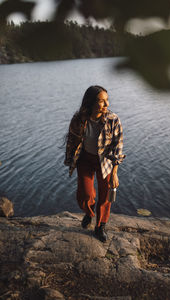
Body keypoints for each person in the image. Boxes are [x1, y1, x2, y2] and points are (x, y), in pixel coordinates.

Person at [64, 85, 125, 242]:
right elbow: (71, 141)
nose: (107, 105)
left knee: (105, 196)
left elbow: (117, 147)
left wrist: (115, 173)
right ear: (90, 102)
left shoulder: (113, 120)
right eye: (101, 101)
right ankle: (89, 213)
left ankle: (100, 226)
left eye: (107, 100)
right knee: (85, 194)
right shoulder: (78, 120)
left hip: (105, 162)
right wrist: (70, 160)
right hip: (85, 159)